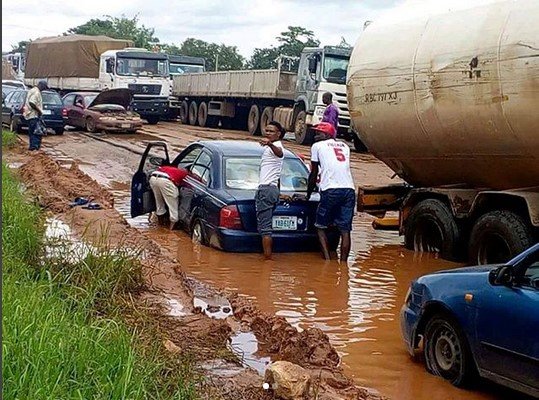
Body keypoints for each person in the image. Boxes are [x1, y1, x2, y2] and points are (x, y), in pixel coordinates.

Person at [307, 122, 355, 262]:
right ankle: (344, 265)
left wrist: (309, 193)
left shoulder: (317, 146)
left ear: (327, 134)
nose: (315, 136)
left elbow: (314, 173)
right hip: (349, 190)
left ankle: (327, 261)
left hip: (330, 190)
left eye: (319, 133)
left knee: (320, 226)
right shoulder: (345, 146)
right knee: (345, 230)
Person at [256, 121, 286, 259]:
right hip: (273, 189)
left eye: (271, 131)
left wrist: (269, 144)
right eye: (266, 130)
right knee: (266, 227)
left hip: (266, 190)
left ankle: (267, 261)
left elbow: (279, 154)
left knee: (266, 229)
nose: (267, 133)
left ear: (278, 134)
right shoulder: (273, 147)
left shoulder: (277, 147)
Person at [149, 163, 188, 230]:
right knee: (173, 206)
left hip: (153, 178)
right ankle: (171, 229)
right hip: (166, 181)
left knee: (159, 203)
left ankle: (160, 226)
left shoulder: (167, 168)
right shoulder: (185, 174)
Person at [24, 80, 48, 151]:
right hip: (34, 115)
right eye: (44, 87)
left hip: (31, 115)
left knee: (32, 132)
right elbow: (32, 102)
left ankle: (32, 147)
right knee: (36, 133)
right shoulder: (36, 92)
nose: (44, 89)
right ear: (41, 85)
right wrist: (39, 111)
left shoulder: (32, 90)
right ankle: (34, 148)